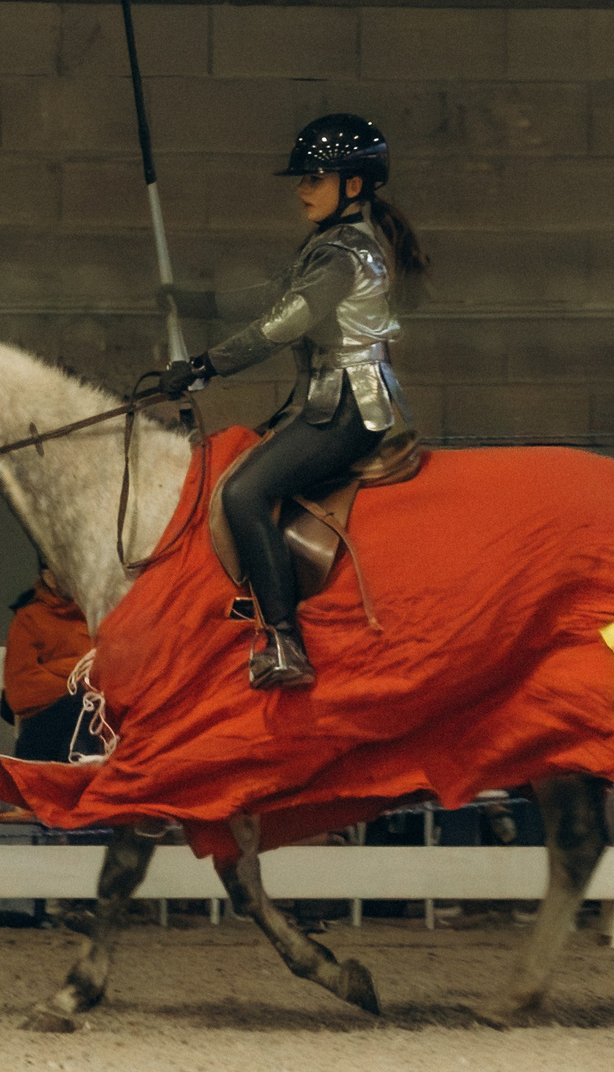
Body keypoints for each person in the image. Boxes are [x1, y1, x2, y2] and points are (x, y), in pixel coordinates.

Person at [158, 113, 429, 691]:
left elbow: (281, 325)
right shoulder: (330, 245)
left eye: (314, 178)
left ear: (352, 185)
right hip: (328, 400)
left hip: (349, 409)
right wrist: (197, 299)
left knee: (243, 491)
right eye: (302, 178)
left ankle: (284, 641)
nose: (301, 189)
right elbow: (271, 296)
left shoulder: (342, 255)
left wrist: (206, 367)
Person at [4, 564, 94, 762]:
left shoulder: (95, 611)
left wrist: (58, 669)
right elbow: (21, 689)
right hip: (44, 720)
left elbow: (109, 666)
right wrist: (79, 675)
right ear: (48, 578)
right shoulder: (29, 617)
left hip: (95, 715)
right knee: (84, 701)